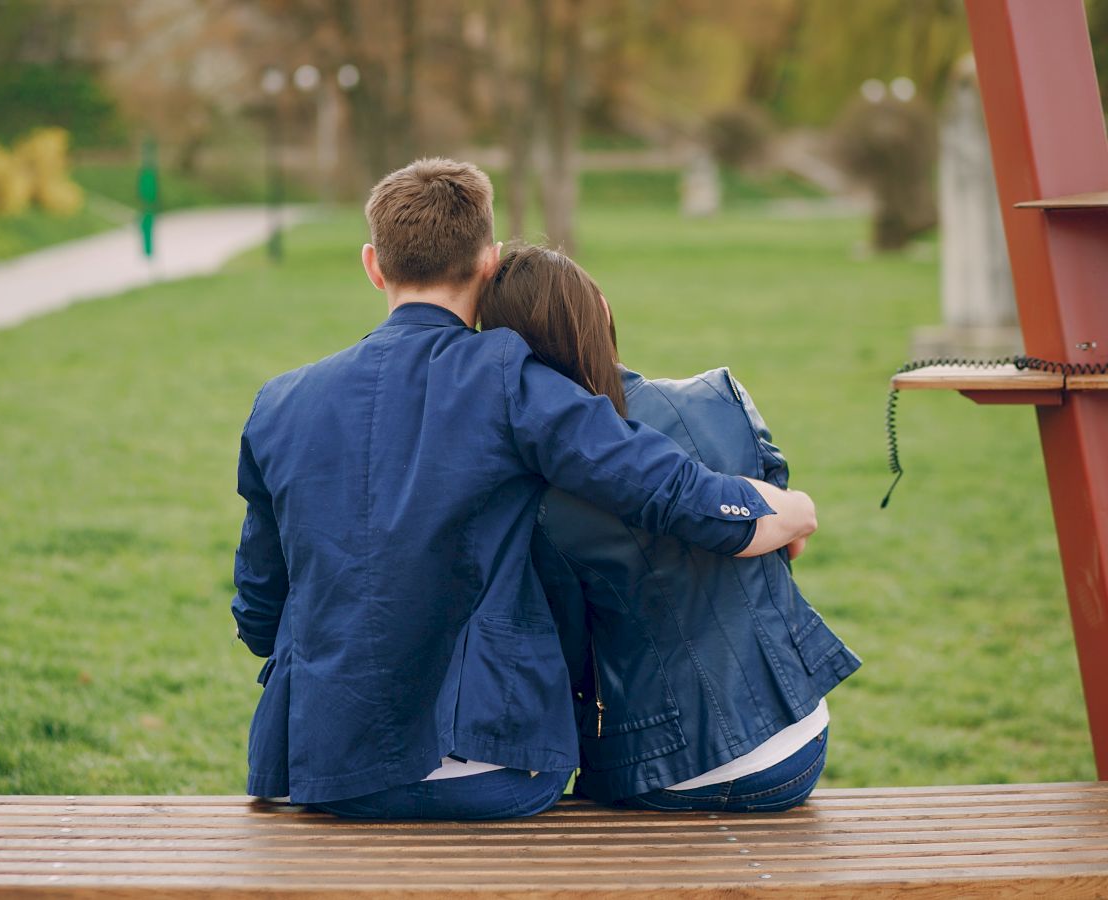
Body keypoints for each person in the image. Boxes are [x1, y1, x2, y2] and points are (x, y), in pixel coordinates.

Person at [230, 158, 818, 821]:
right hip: (490, 767)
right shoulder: (511, 376)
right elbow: (666, 488)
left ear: (373, 265)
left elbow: (258, 609)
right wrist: (782, 511)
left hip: (329, 769)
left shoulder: (280, 403)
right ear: (489, 261)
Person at [478, 245, 860, 812]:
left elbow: (566, 644)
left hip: (652, 765)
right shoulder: (720, 398)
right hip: (792, 741)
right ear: (602, 311)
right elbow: (791, 543)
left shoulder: (532, 491)